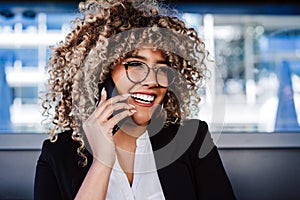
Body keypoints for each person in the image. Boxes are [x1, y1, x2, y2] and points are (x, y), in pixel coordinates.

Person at [34, 0, 236, 199]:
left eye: (161, 68)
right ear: (101, 74)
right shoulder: (57, 155)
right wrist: (102, 163)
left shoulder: (192, 140)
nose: (151, 80)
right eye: (135, 64)